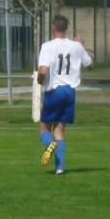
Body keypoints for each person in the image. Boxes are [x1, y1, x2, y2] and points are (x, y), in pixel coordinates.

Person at [36, 14, 93, 175]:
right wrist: (81, 46)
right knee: (59, 130)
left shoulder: (47, 46)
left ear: (53, 28)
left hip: (55, 91)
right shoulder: (76, 46)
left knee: (44, 128)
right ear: (66, 28)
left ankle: (49, 145)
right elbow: (90, 65)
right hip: (70, 92)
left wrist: (40, 81)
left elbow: (44, 70)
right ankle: (60, 168)